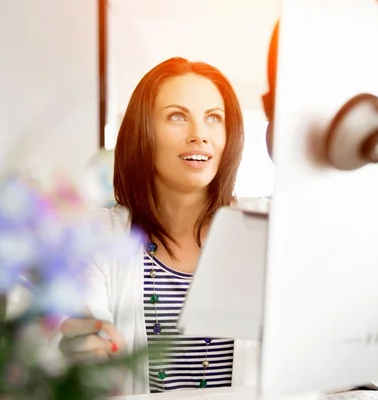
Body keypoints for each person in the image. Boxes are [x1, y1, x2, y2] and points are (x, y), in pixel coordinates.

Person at [57, 57, 258, 395]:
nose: (199, 135)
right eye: (177, 116)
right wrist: (80, 348)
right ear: (143, 132)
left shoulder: (268, 229)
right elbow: (71, 332)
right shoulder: (95, 236)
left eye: (214, 118)